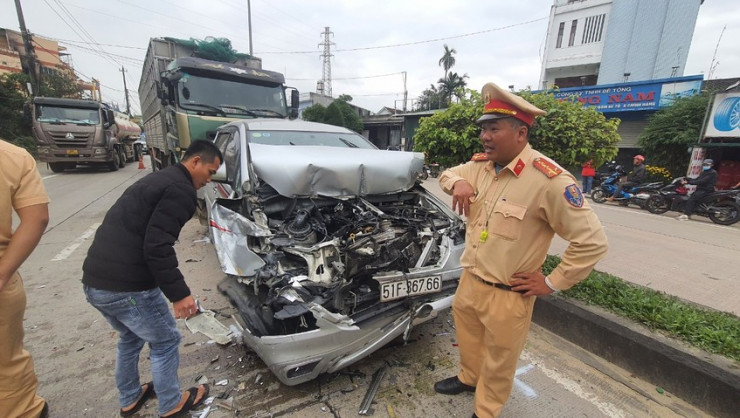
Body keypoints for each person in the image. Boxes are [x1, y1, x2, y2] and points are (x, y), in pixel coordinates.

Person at [435, 83, 608, 418]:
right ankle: (470, 379)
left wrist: (553, 282)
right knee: (469, 342)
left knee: (501, 358)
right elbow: (447, 174)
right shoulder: (481, 167)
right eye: (484, 128)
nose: (485, 136)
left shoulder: (550, 181)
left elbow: (592, 241)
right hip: (471, 280)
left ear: (521, 132)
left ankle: (486, 410)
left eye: (494, 129)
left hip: (508, 292)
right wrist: (457, 183)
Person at [82, 140, 222, 417]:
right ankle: (171, 405)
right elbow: (157, 247)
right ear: (195, 161)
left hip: (96, 282)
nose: (209, 180)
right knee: (166, 340)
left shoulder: (160, 179)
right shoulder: (180, 191)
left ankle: (130, 398)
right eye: (210, 171)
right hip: (127, 288)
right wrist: (180, 295)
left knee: (131, 338)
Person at [0, 139, 50, 418]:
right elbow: (37, 218)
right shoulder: (12, 157)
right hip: (3, 281)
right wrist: (3, 273)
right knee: (6, 367)